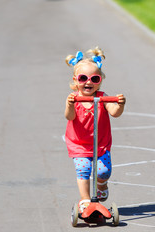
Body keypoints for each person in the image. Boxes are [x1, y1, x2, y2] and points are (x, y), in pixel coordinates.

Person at [64, 47, 126, 213]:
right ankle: (85, 199)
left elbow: (114, 113)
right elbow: (69, 117)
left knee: (103, 171)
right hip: (79, 144)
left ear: (100, 81)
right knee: (83, 170)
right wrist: (70, 105)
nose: (88, 82)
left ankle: (102, 184)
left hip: (100, 144)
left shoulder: (102, 97)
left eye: (94, 78)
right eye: (83, 78)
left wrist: (120, 105)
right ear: (75, 80)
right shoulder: (74, 98)